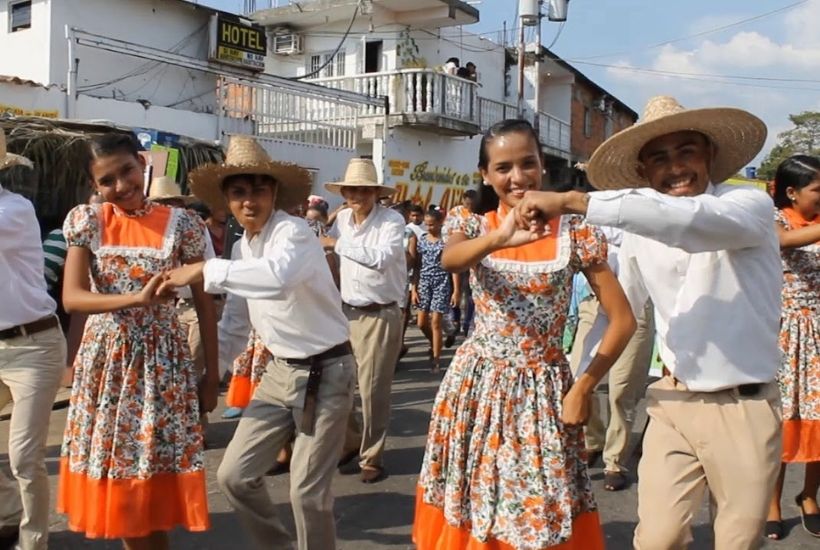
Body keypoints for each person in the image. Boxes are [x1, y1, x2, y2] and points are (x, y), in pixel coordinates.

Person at [516, 96, 782, 548]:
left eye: (686, 151)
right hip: (672, 402)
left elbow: (691, 223)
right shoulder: (641, 230)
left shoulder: (746, 207)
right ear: (643, 173)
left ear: (710, 156)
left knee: (738, 541)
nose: (675, 166)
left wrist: (573, 200)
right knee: (656, 540)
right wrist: (582, 383)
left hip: (744, 406)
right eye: (659, 157)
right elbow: (616, 316)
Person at [413, 119, 636, 549]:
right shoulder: (472, 224)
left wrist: (585, 385)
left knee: (540, 507)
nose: (517, 178)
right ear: (485, 173)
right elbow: (451, 261)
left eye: (527, 164)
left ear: (542, 166)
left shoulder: (577, 233)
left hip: (544, 391)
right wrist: (500, 237)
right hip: (478, 387)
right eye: (503, 167)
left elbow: (622, 318)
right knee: (478, 497)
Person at [163, 135, 355, 550]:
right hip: (280, 372)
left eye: (258, 190)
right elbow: (235, 321)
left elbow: (277, 278)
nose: (249, 201)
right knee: (233, 476)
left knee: (307, 493)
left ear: (274, 194)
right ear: (226, 202)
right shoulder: (239, 248)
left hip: (328, 370)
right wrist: (210, 376)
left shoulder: (295, 232)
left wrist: (203, 271)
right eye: (239, 193)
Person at [58, 132, 218, 549]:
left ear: (143, 164)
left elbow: (205, 304)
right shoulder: (86, 220)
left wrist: (212, 374)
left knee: (149, 483)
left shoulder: (184, 223)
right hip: (106, 364)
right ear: (95, 186)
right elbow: (73, 298)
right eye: (107, 180)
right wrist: (136, 297)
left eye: (126, 170)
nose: (121, 185)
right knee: (124, 487)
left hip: (163, 365)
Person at [0, 130, 67, 550]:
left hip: (34, 346)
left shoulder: (15, 209)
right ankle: (9, 510)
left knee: (25, 456)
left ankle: (33, 542)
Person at [322, 157, 407, 484]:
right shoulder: (341, 219)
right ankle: (352, 441)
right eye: (352, 189)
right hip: (345, 311)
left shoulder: (391, 221)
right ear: (343, 192)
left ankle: (371, 456)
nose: (357, 194)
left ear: (375, 193)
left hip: (379, 313)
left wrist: (337, 244)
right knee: (337, 384)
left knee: (373, 390)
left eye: (364, 189)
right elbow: (332, 258)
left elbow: (382, 259)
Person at [569, 224, 656, 491]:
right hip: (594, 302)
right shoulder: (593, 210)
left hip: (636, 304)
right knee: (578, 379)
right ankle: (592, 440)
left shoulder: (648, 212)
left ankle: (614, 460)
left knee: (621, 389)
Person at [765, 154, 820, 540]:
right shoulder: (774, 222)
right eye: (818, 189)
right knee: (781, 423)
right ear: (791, 191)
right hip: (784, 336)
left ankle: (809, 496)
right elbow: (783, 242)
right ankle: (771, 502)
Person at [409, 207, 456, 373]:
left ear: (440, 223)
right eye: (427, 224)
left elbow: (453, 267)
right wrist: (414, 289)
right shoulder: (421, 240)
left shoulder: (446, 241)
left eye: (432, 224)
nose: (429, 228)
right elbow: (417, 266)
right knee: (422, 323)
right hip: (424, 282)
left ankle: (436, 359)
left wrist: (456, 291)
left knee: (436, 321)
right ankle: (435, 343)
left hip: (441, 281)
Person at [448, 189, 478, 336]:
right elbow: (447, 232)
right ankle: (455, 318)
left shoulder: (480, 214)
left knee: (470, 292)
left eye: (471, 204)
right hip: (457, 253)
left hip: (474, 256)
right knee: (455, 289)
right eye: (467, 204)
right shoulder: (455, 213)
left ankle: (467, 323)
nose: (469, 207)